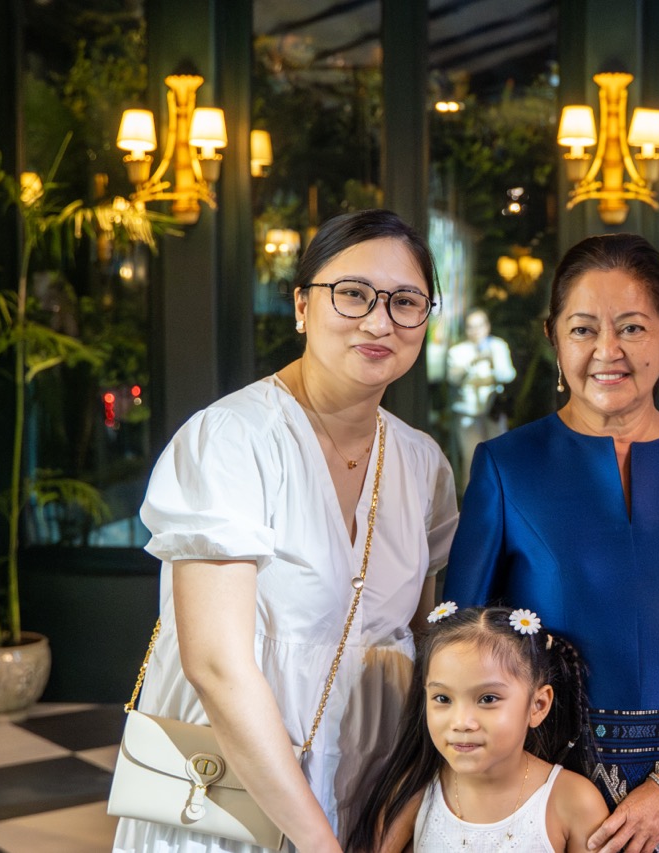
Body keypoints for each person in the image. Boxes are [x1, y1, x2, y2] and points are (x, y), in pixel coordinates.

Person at [112, 209, 459, 853]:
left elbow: (420, 639)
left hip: (372, 774)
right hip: (238, 780)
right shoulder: (233, 439)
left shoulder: (422, 463)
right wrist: (315, 841)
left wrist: (410, 800)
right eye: (352, 294)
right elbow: (215, 664)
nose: (379, 321)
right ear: (302, 306)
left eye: (406, 302)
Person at [444, 233, 659, 853]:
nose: (607, 351)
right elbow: (461, 647)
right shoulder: (503, 466)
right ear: (553, 337)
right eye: (583, 330)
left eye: (631, 328)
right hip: (543, 786)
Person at [345, 604, 609, 852]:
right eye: (443, 699)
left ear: (537, 705)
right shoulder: (417, 789)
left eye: (488, 699)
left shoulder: (574, 802)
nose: (461, 722)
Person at [447, 307, 517, 487]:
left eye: (479, 326)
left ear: (487, 326)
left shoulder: (498, 346)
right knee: (472, 458)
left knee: (499, 456)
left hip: (493, 409)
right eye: (471, 327)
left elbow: (508, 375)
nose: (476, 331)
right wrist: (472, 363)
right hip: (467, 412)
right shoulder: (458, 350)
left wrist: (492, 363)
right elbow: (452, 379)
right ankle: (472, 503)